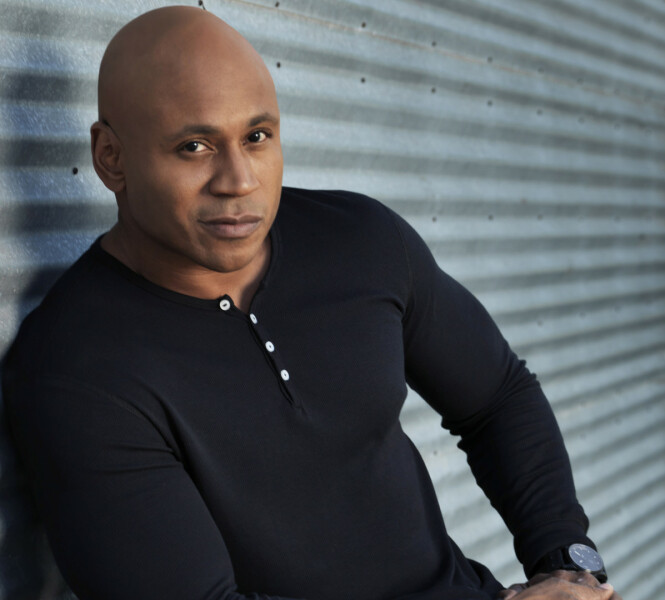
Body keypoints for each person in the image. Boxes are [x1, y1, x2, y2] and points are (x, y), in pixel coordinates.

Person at [2, 6, 622, 600]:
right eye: (194, 146)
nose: (239, 180)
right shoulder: (77, 369)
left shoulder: (359, 241)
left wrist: (571, 570)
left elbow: (498, 397)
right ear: (110, 158)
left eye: (257, 136)